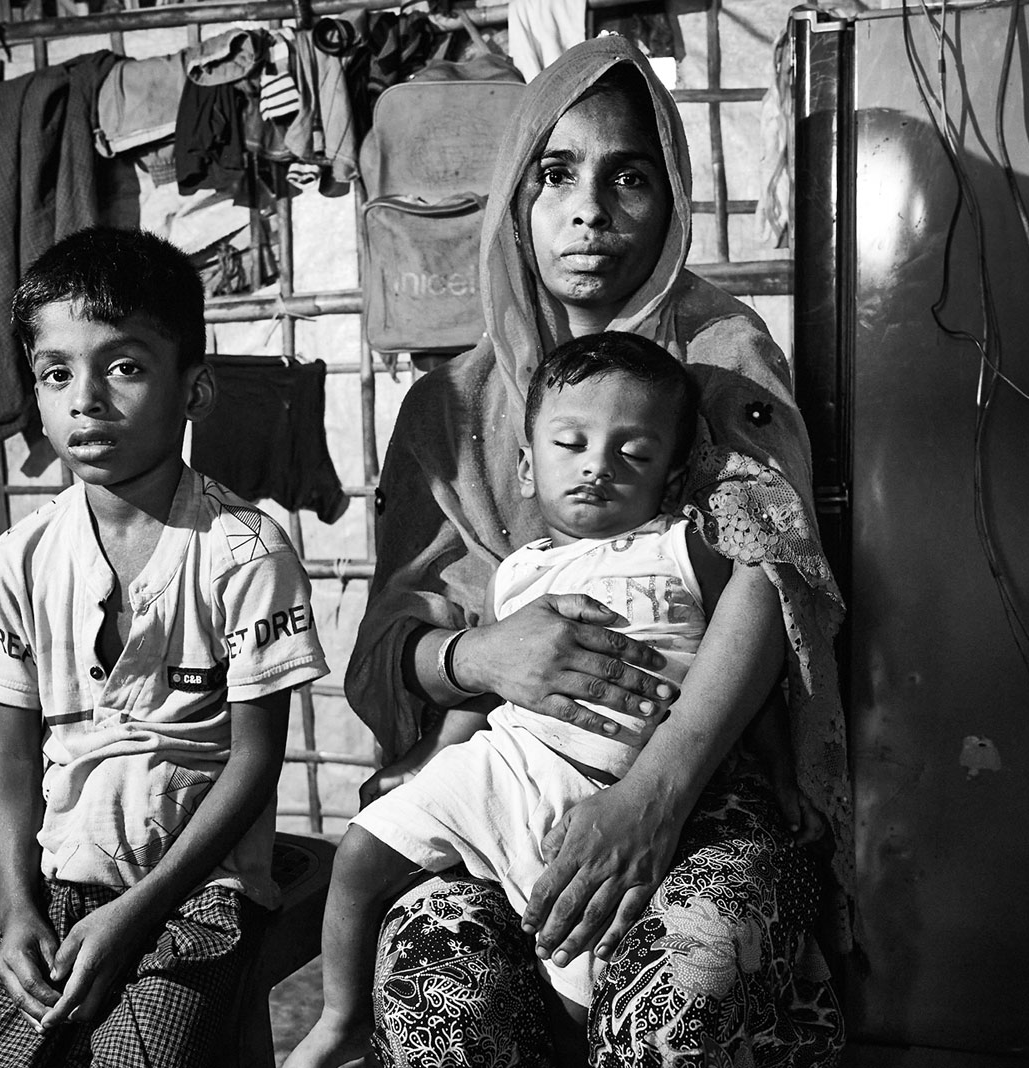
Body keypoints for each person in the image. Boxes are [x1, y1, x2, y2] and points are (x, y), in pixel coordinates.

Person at [344, 35, 852, 1066]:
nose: (589, 209)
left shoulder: (720, 364)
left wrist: (649, 803)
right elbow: (390, 641)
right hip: (499, 787)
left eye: (627, 175)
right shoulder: (449, 408)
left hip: (704, 782)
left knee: (695, 965)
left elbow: (771, 577)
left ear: (671, 197)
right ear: (513, 202)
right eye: (555, 174)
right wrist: (477, 657)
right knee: (436, 978)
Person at [291, 332, 820, 1068]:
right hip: (502, 770)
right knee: (359, 851)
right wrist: (438, 754)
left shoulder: (679, 546)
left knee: (579, 982)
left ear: (671, 477)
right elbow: (486, 688)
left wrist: (777, 768)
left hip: (612, 787)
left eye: (632, 454)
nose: (597, 466)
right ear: (525, 465)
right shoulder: (514, 572)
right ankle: (341, 1018)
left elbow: (758, 637)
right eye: (570, 442)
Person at [0, 227, 329, 1067]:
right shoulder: (20, 558)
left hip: (193, 889)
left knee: (144, 1054)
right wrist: (19, 909)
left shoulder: (245, 551)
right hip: (49, 872)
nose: (85, 399)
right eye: (57, 373)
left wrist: (136, 914)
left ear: (194, 389)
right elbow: (14, 760)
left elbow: (254, 763)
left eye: (123, 367)